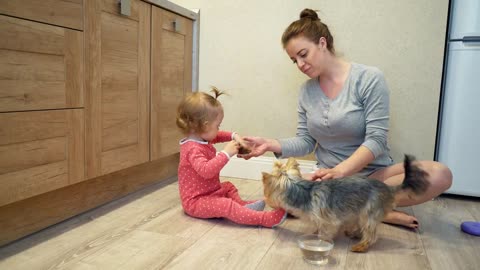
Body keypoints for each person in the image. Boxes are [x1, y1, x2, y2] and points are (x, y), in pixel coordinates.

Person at [241, 9, 452, 229]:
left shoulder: (369, 78)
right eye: (294, 60)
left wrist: (341, 170)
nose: (300, 64)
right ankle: (374, 211)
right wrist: (268, 144)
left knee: (439, 174)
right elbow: (306, 140)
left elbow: (377, 139)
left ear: (322, 43)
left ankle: (355, 208)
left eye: (304, 54)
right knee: (275, 190)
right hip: (329, 184)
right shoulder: (306, 91)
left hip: (373, 177)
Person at [176, 87, 287, 228]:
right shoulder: (192, 148)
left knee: (228, 187)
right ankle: (263, 219)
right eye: (217, 125)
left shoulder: (202, 138)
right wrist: (226, 153)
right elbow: (206, 170)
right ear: (205, 126)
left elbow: (219, 135)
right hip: (196, 202)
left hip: (210, 192)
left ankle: (242, 207)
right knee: (225, 205)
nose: (218, 129)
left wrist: (234, 136)